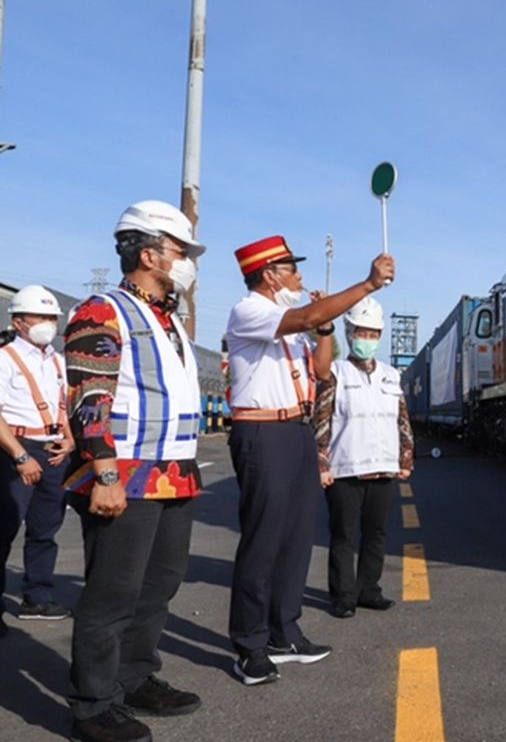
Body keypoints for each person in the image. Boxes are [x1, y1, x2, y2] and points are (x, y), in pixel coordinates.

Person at [63, 200, 207, 742]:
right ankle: (93, 705)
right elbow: (90, 395)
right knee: (113, 593)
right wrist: (104, 472)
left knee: (159, 585)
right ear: (150, 254)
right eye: (181, 252)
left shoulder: (168, 321)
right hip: (124, 473)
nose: (189, 262)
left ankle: (134, 675)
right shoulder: (103, 311)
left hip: (175, 474)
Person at [225, 236, 393, 686]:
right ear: (269, 274)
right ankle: (249, 644)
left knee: (296, 538)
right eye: (291, 268)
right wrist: (367, 285)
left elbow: (321, 371)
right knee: (263, 539)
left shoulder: (292, 324)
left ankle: (285, 631)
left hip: (296, 429)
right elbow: (307, 314)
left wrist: (323, 331)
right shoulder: (251, 311)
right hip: (262, 429)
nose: (300, 277)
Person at [312, 296, 414, 619]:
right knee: (343, 535)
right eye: (361, 332)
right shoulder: (336, 374)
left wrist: (407, 456)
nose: (366, 339)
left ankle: (369, 589)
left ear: (379, 336)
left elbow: (402, 419)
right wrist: (321, 462)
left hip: (383, 467)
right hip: (345, 469)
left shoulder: (390, 375)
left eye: (372, 334)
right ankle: (343, 595)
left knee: (377, 533)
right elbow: (321, 420)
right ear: (349, 332)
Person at [0, 286, 75, 635]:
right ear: (18, 321)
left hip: (54, 449)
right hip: (16, 448)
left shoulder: (57, 361)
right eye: (40, 317)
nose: (48, 323)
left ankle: (37, 597)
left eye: (52, 317)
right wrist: (20, 454)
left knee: (46, 529)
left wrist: (69, 438)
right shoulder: (5, 358)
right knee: (4, 529)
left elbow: (66, 404)